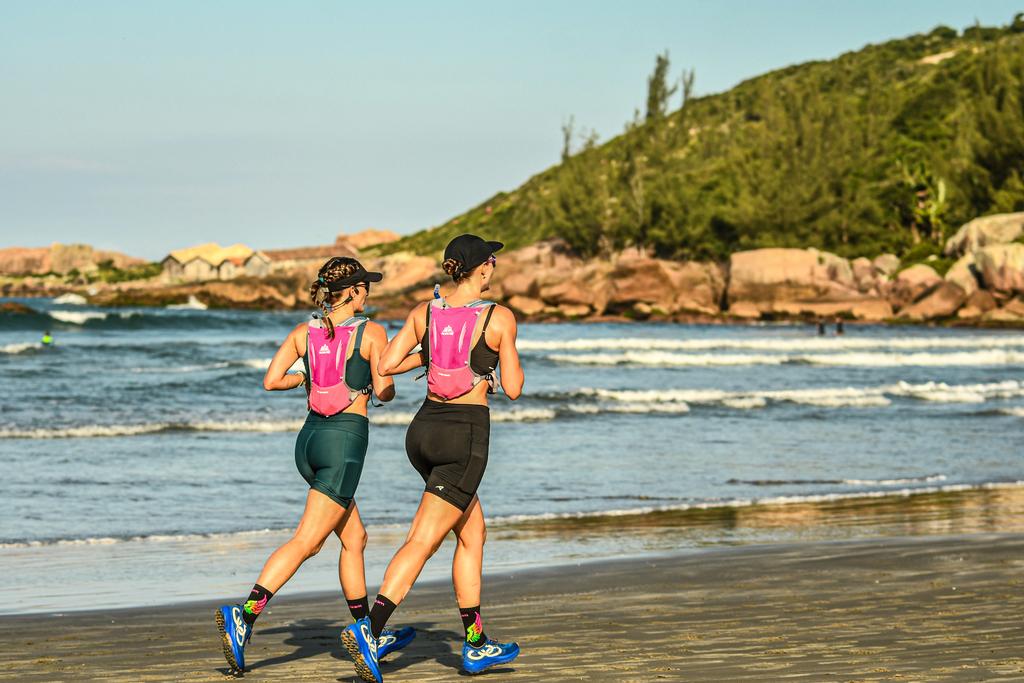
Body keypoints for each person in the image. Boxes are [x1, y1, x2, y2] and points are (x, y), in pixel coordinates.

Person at [216, 257, 414, 673]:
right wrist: (387, 378)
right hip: (343, 444)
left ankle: (367, 631)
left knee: (355, 538)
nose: (368, 294)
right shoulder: (372, 332)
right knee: (307, 541)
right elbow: (385, 390)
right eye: (366, 287)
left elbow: (272, 380)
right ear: (354, 291)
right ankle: (244, 615)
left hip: (308, 443)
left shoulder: (302, 332)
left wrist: (307, 378)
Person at [342, 234, 524, 682]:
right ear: (482, 267)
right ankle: (371, 629)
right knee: (422, 540)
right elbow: (515, 388)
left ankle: (476, 643)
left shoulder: (424, 312)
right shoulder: (499, 317)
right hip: (464, 437)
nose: (494, 265)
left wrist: (436, 355)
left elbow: (386, 364)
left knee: (473, 533)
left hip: (422, 434)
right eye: (492, 260)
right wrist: (490, 367)